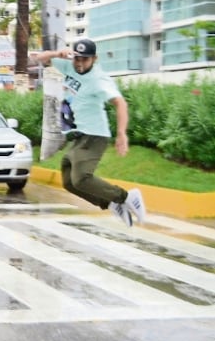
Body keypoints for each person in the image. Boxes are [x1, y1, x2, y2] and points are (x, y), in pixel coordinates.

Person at [31, 38, 146, 227]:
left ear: (94, 59)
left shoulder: (99, 80)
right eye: (77, 59)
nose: (80, 64)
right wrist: (57, 53)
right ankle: (110, 202)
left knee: (82, 178)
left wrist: (122, 133)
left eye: (85, 60)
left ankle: (126, 197)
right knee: (69, 182)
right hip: (79, 135)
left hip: (95, 135)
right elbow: (39, 58)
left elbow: (120, 103)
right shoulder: (68, 66)